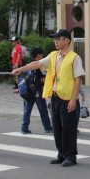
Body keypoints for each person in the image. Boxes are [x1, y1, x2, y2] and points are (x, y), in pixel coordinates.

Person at [12, 29, 84, 167]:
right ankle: (61, 154)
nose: (55, 41)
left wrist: (74, 99)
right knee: (57, 128)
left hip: (68, 98)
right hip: (55, 96)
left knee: (68, 128)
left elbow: (78, 79)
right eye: (55, 39)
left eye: (59, 39)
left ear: (67, 40)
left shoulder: (74, 58)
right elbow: (37, 64)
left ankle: (70, 156)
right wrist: (21, 69)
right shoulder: (53, 56)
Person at [20, 47, 53, 134]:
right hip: (37, 90)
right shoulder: (38, 65)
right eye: (41, 54)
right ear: (38, 55)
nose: (42, 56)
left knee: (27, 110)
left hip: (27, 90)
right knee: (43, 109)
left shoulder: (28, 64)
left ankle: (24, 127)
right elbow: (42, 79)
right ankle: (47, 127)